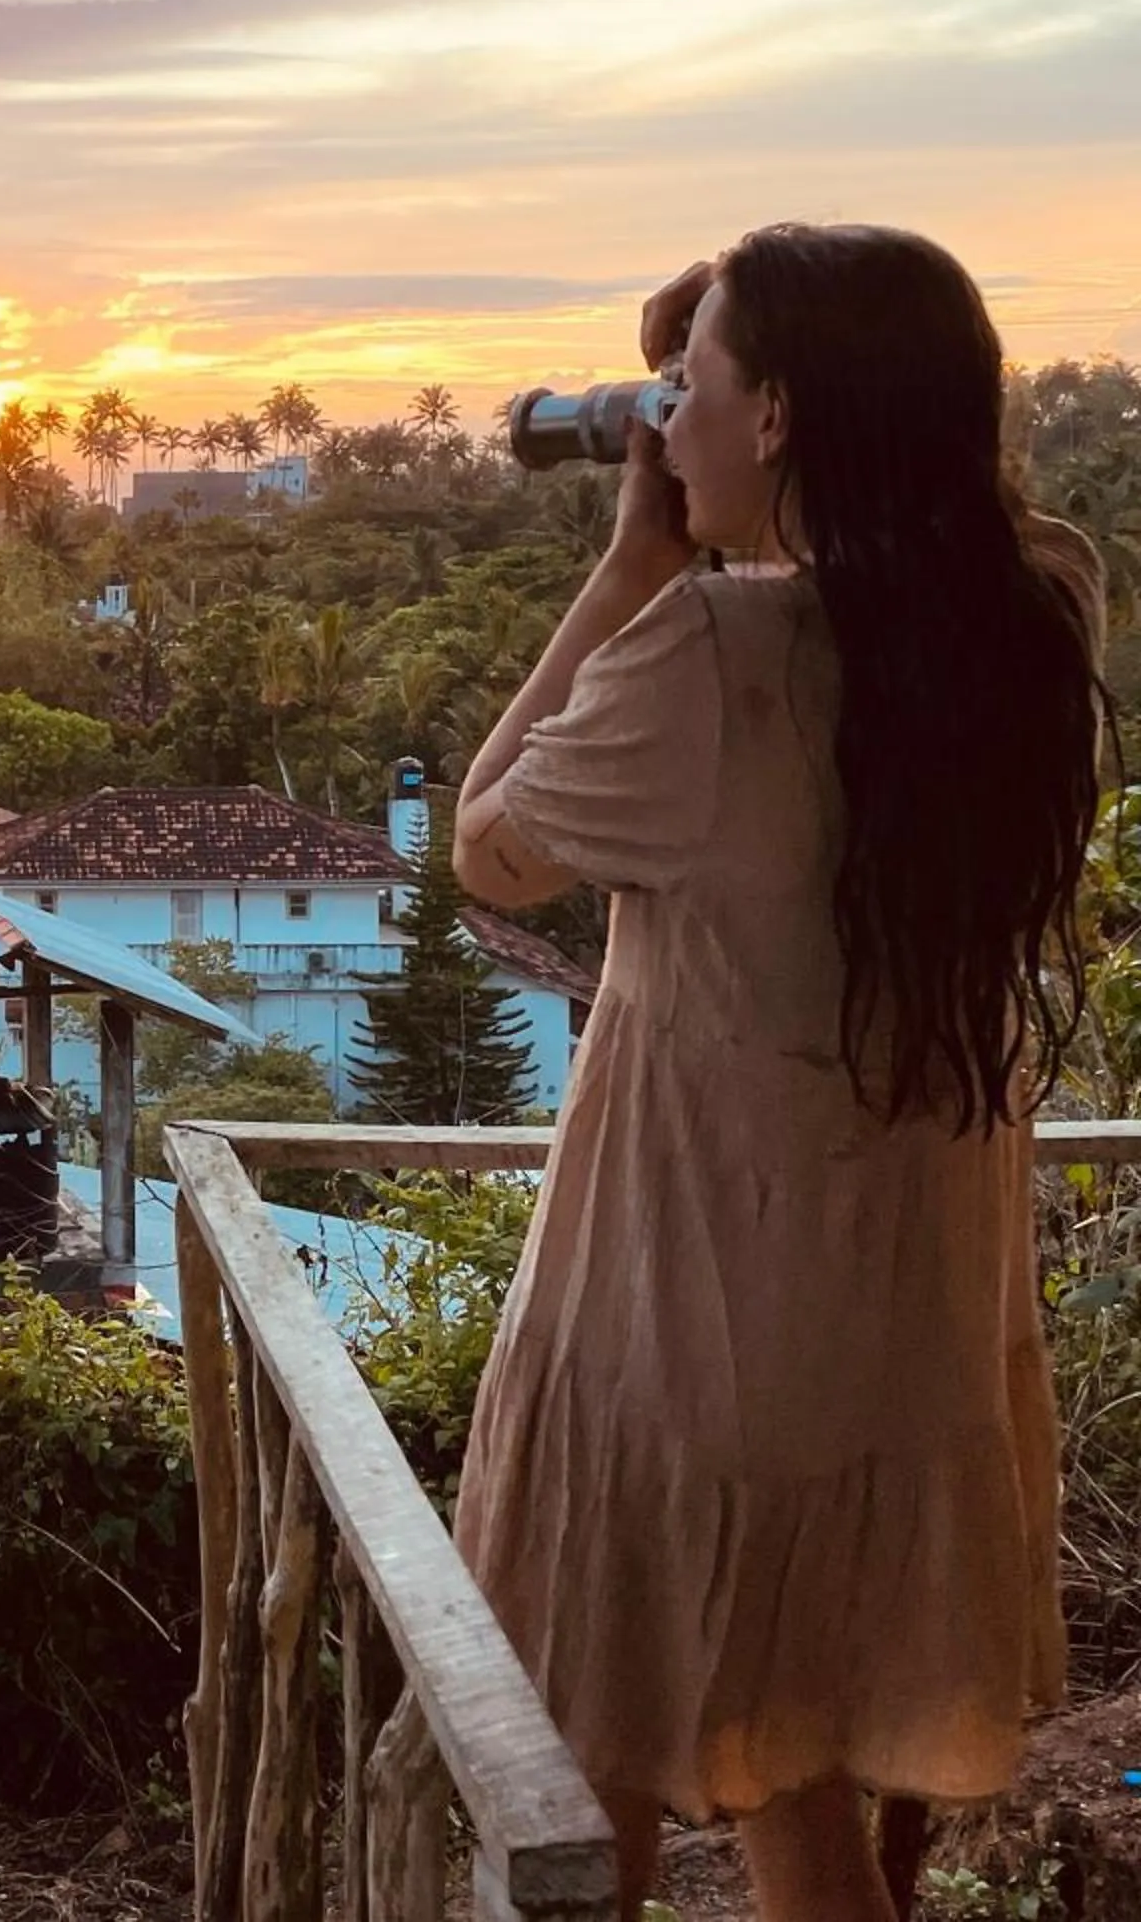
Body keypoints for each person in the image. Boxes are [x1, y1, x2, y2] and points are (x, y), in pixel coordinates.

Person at [451, 224, 1107, 1922]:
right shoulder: (1034, 622)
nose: (665, 418)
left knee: (575, 1798)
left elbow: (488, 849)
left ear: (784, 418)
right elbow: (956, 515)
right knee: (798, 1792)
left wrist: (629, 568)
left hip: (678, 1322)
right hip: (904, 1336)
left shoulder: (710, 663)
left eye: (698, 388)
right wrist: (739, 368)